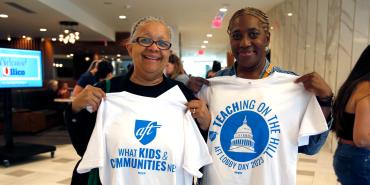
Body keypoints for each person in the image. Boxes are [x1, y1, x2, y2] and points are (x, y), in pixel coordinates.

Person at [187, 7, 334, 185]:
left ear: (267, 38)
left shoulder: (293, 86)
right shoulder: (213, 85)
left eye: (253, 34)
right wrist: (188, 97)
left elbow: (311, 147)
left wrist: (325, 100)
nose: (244, 43)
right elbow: (193, 145)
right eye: (236, 36)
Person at [65, 16, 212, 185]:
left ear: (168, 52)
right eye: (145, 40)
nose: (154, 48)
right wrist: (75, 108)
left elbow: (201, 158)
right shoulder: (106, 92)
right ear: (130, 48)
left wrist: (206, 125)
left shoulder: (183, 97)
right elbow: (84, 148)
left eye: (162, 43)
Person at [332, 45, 370, 185]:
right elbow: (362, 139)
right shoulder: (367, 90)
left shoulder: (354, 85)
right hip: (361, 158)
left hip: (346, 155)